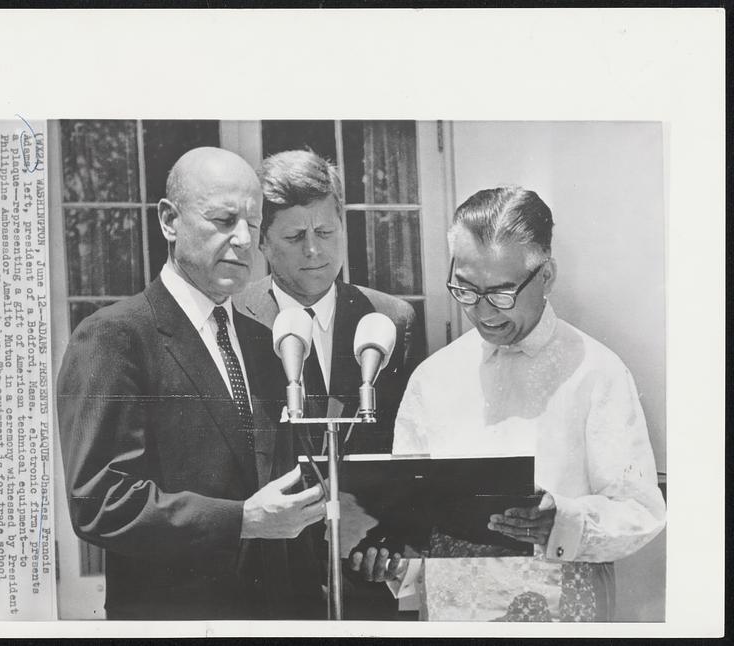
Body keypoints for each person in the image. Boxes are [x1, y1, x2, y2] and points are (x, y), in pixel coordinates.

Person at [351, 186, 666, 621]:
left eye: (501, 293)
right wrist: (390, 551)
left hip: (560, 614)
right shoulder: (432, 377)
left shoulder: (598, 372)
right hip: (453, 617)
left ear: (547, 276)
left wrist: (561, 520)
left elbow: (640, 511)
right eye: (465, 289)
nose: (482, 313)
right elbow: (408, 513)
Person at [56, 147, 327, 620]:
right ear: (168, 220)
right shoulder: (114, 336)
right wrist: (242, 521)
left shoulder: (268, 342)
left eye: (253, 223)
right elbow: (100, 502)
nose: (243, 239)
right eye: (223, 220)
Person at [235, 149, 421, 456]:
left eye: (324, 232)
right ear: (262, 241)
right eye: (294, 236)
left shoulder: (393, 319)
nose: (313, 250)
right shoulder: (234, 316)